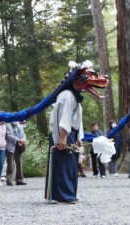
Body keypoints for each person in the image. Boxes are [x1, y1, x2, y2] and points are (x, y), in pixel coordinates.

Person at [45, 60, 108, 203]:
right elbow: (64, 118)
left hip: (71, 134)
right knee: (63, 165)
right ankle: (62, 196)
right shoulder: (67, 95)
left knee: (71, 166)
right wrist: (62, 138)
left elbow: (76, 119)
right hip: (64, 133)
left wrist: (79, 137)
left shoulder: (74, 96)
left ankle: (69, 193)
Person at [5, 122, 27, 186]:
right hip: (10, 146)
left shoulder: (19, 125)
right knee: (10, 164)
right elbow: (9, 135)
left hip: (19, 146)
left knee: (19, 163)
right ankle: (9, 180)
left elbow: (23, 135)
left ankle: (19, 180)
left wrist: (22, 141)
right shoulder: (8, 125)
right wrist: (19, 140)